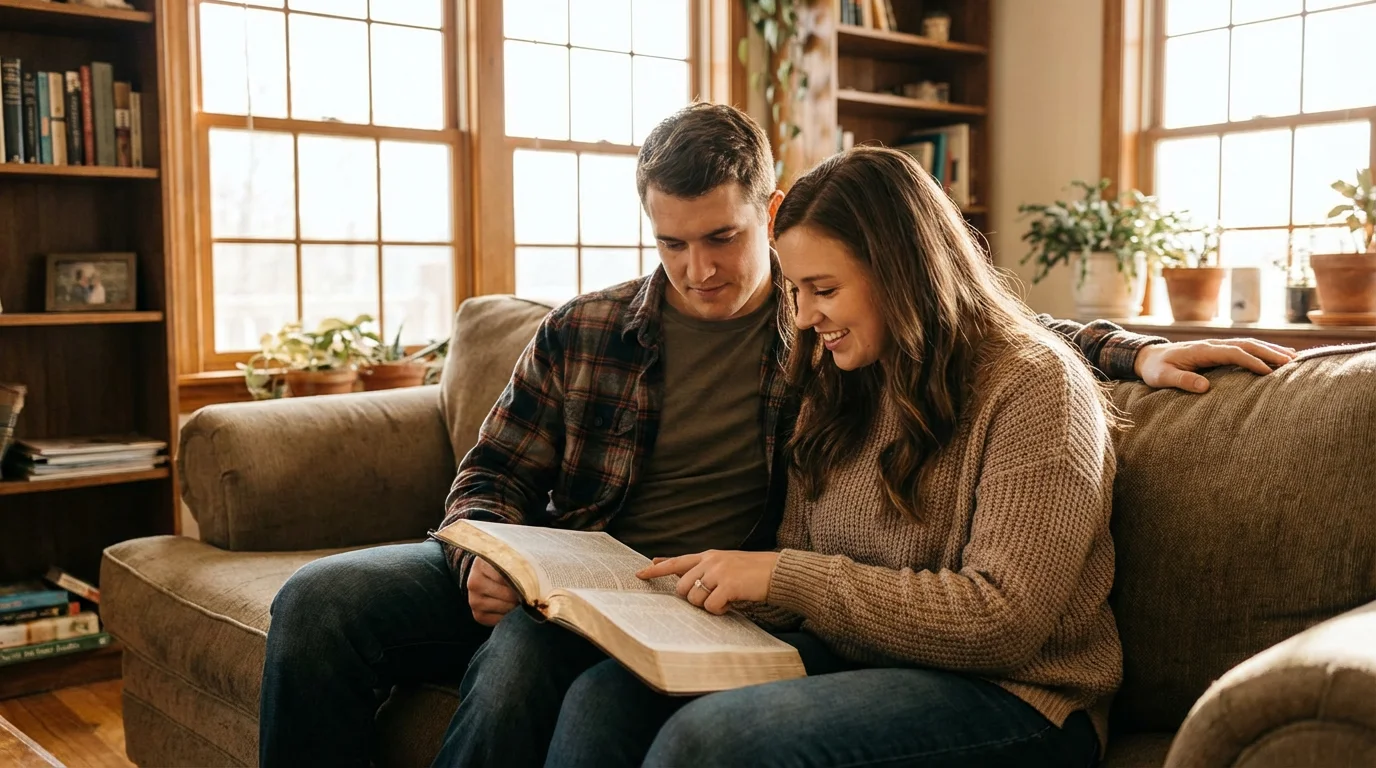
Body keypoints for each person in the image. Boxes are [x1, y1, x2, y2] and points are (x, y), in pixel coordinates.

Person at [257, 103, 1296, 768]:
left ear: (768, 211)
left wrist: (1137, 351)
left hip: (1008, 688)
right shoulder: (803, 357)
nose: (706, 272)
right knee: (353, 611)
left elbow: (1011, 356)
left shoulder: (965, 377)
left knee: (612, 698)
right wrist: (483, 547)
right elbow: (490, 472)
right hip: (686, 603)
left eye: (729, 243)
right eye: (671, 245)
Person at [544, 145, 1132, 767]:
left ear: (903, 271)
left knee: (712, 742)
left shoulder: (1037, 388)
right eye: (795, 289)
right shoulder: (840, 379)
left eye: (823, 289)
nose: (803, 316)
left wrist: (782, 575)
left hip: (1022, 700)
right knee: (608, 692)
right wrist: (692, 590)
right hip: (862, 661)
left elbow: (1003, 621)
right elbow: (805, 561)